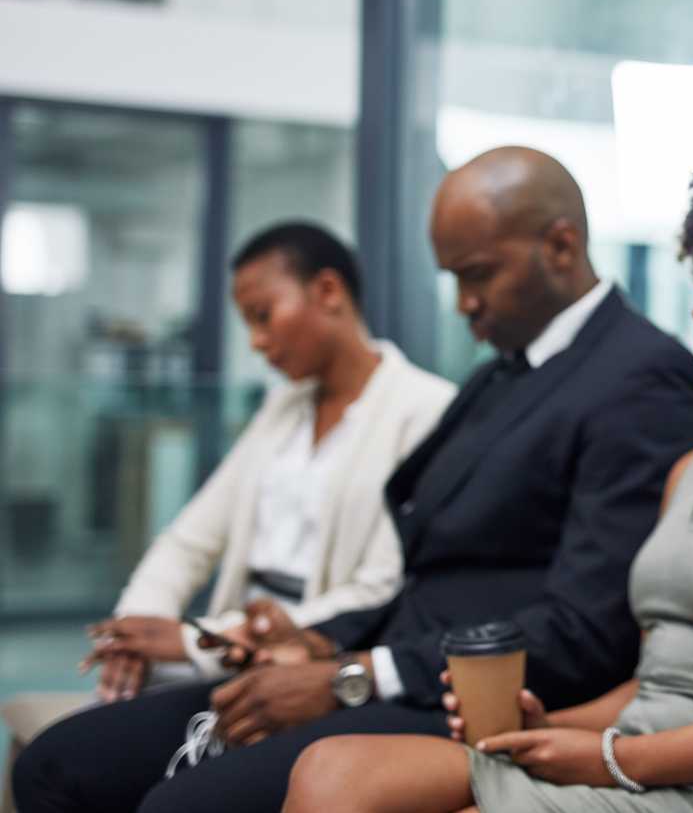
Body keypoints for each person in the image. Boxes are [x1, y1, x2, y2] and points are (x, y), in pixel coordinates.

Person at [13, 147, 693, 813]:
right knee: (55, 765)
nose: (464, 303)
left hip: (470, 696)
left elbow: (583, 632)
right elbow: (418, 575)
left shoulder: (641, 378)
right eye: (453, 279)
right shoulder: (502, 372)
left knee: (179, 805)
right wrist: (320, 641)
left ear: (561, 246)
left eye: (477, 274)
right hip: (389, 659)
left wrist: (355, 676)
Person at [276, 133, 693, 813]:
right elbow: (656, 679)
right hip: (633, 742)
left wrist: (613, 758)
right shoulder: (692, 469)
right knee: (329, 770)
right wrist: (552, 726)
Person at [0, 222, 454, 777]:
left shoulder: (426, 412)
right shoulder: (284, 407)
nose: (256, 341)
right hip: (226, 644)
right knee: (50, 752)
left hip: (307, 658)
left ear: (328, 291)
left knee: (68, 764)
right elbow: (190, 539)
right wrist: (137, 627)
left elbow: (379, 591)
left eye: (263, 315)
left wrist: (197, 642)